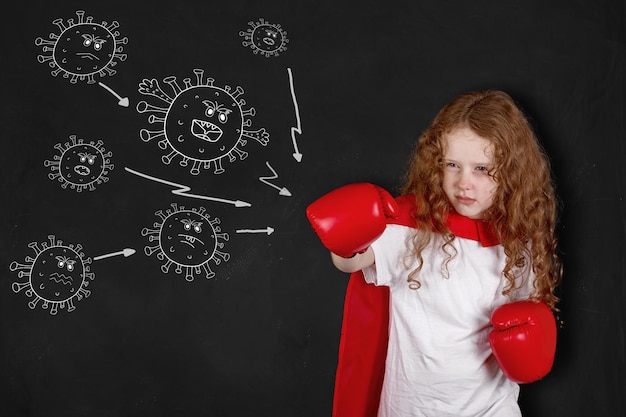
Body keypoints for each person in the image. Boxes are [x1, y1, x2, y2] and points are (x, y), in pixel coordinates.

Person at [306, 90, 562, 417]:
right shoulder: (410, 227)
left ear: (511, 170)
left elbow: (530, 312)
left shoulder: (519, 242)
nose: (463, 183)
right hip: (411, 409)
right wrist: (344, 240)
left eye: (482, 169)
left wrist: (531, 348)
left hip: (492, 408)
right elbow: (352, 262)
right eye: (452, 164)